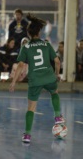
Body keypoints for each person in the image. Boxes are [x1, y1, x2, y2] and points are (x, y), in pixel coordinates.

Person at [9, 14, 65, 144]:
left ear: (28, 33)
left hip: (35, 80)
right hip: (49, 76)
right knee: (54, 93)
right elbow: (57, 61)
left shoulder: (26, 47)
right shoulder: (46, 44)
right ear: (39, 32)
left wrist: (13, 81)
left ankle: (27, 135)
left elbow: (21, 65)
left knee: (31, 108)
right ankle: (57, 116)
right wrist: (57, 75)